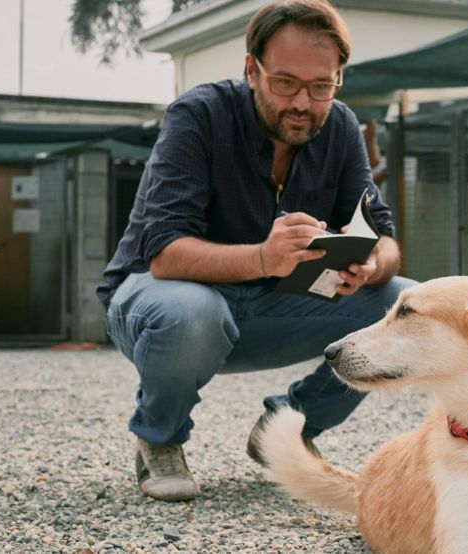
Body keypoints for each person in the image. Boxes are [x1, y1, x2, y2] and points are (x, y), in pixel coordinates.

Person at [97, 0, 414, 502]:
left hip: (271, 307)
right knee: (192, 311)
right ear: (251, 70)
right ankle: (159, 438)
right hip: (163, 303)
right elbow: (163, 253)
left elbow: (385, 237)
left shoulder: (341, 126)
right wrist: (265, 258)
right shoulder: (198, 115)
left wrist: (372, 264)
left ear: (337, 79)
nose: (303, 103)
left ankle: (286, 429)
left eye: (321, 86)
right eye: (285, 82)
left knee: (405, 304)